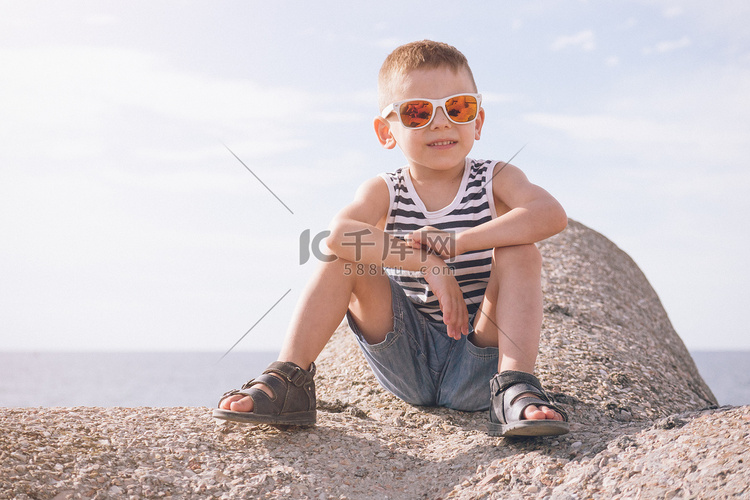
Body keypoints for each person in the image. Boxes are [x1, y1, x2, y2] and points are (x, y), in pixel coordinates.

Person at [214, 40, 570, 437]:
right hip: (407, 358)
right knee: (343, 256)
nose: (440, 122)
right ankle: (289, 380)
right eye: (417, 112)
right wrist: (427, 263)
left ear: (479, 121)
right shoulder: (386, 190)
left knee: (520, 250)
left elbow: (549, 214)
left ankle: (514, 387)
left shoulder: (495, 177)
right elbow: (338, 235)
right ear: (386, 131)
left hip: (481, 361)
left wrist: (456, 243)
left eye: (458, 107)